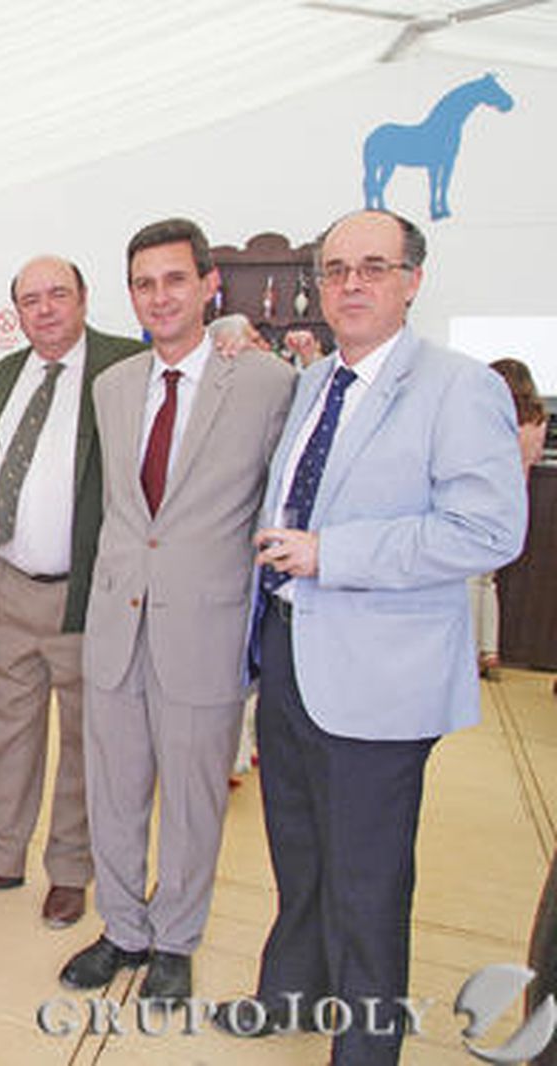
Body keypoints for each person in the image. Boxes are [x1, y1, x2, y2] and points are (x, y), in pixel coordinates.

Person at [216, 210, 527, 1065]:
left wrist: (333, 555)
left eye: (373, 268)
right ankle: (292, 995)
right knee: (299, 852)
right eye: (337, 269)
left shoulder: (460, 388)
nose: (351, 284)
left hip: (379, 678)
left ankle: (366, 1047)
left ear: (412, 280)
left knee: (367, 880)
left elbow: (489, 531)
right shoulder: (316, 382)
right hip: (287, 655)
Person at [60, 219, 294, 1003]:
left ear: (207, 286)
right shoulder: (113, 386)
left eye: (174, 280)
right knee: (114, 791)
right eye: (144, 283)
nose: (159, 296)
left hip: (206, 626)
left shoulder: (265, 383)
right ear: (131, 295)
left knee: (194, 799)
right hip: (117, 625)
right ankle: (123, 928)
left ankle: (176, 939)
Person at [0, 256, 142, 929]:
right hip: (7, 588)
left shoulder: (124, 366)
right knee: (7, 731)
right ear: (18, 312)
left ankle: (71, 869)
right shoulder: (3, 377)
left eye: (59, 295)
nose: (46, 309)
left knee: (86, 741)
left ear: (84, 298)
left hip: (85, 595)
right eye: (31, 300)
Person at [470, 357, 548, 676]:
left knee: (470, 581)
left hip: (483, 503)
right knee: (489, 583)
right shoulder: (537, 421)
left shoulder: (494, 418)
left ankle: (468, 651)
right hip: (515, 506)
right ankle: (490, 651)